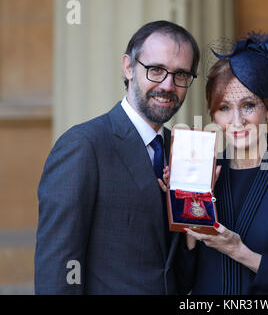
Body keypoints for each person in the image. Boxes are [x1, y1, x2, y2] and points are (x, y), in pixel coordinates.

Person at [35, 20, 199, 294]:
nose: (168, 85)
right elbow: (58, 267)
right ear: (128, 67)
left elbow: (173, 271)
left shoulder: (182, 151)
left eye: (181, 75)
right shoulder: (83, 145)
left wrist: (193, 232)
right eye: (156, 70)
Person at [162, 33, 268, 294]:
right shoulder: (200, 173)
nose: (237, 120)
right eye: (224, 108)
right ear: (213, 115)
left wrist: (240, 252)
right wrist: (186, 216)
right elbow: (180, 283)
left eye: (249, 105)